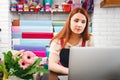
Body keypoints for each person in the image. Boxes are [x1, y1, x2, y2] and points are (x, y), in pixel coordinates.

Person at [48, 7, 94, 75]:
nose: (79, 25)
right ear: (69, 21)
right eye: (76, 20)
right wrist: (72, 72)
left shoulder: (89, 40)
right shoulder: (57, 40)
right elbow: (51, 65)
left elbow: (92, 62)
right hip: (63, 75)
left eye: (83, 22)